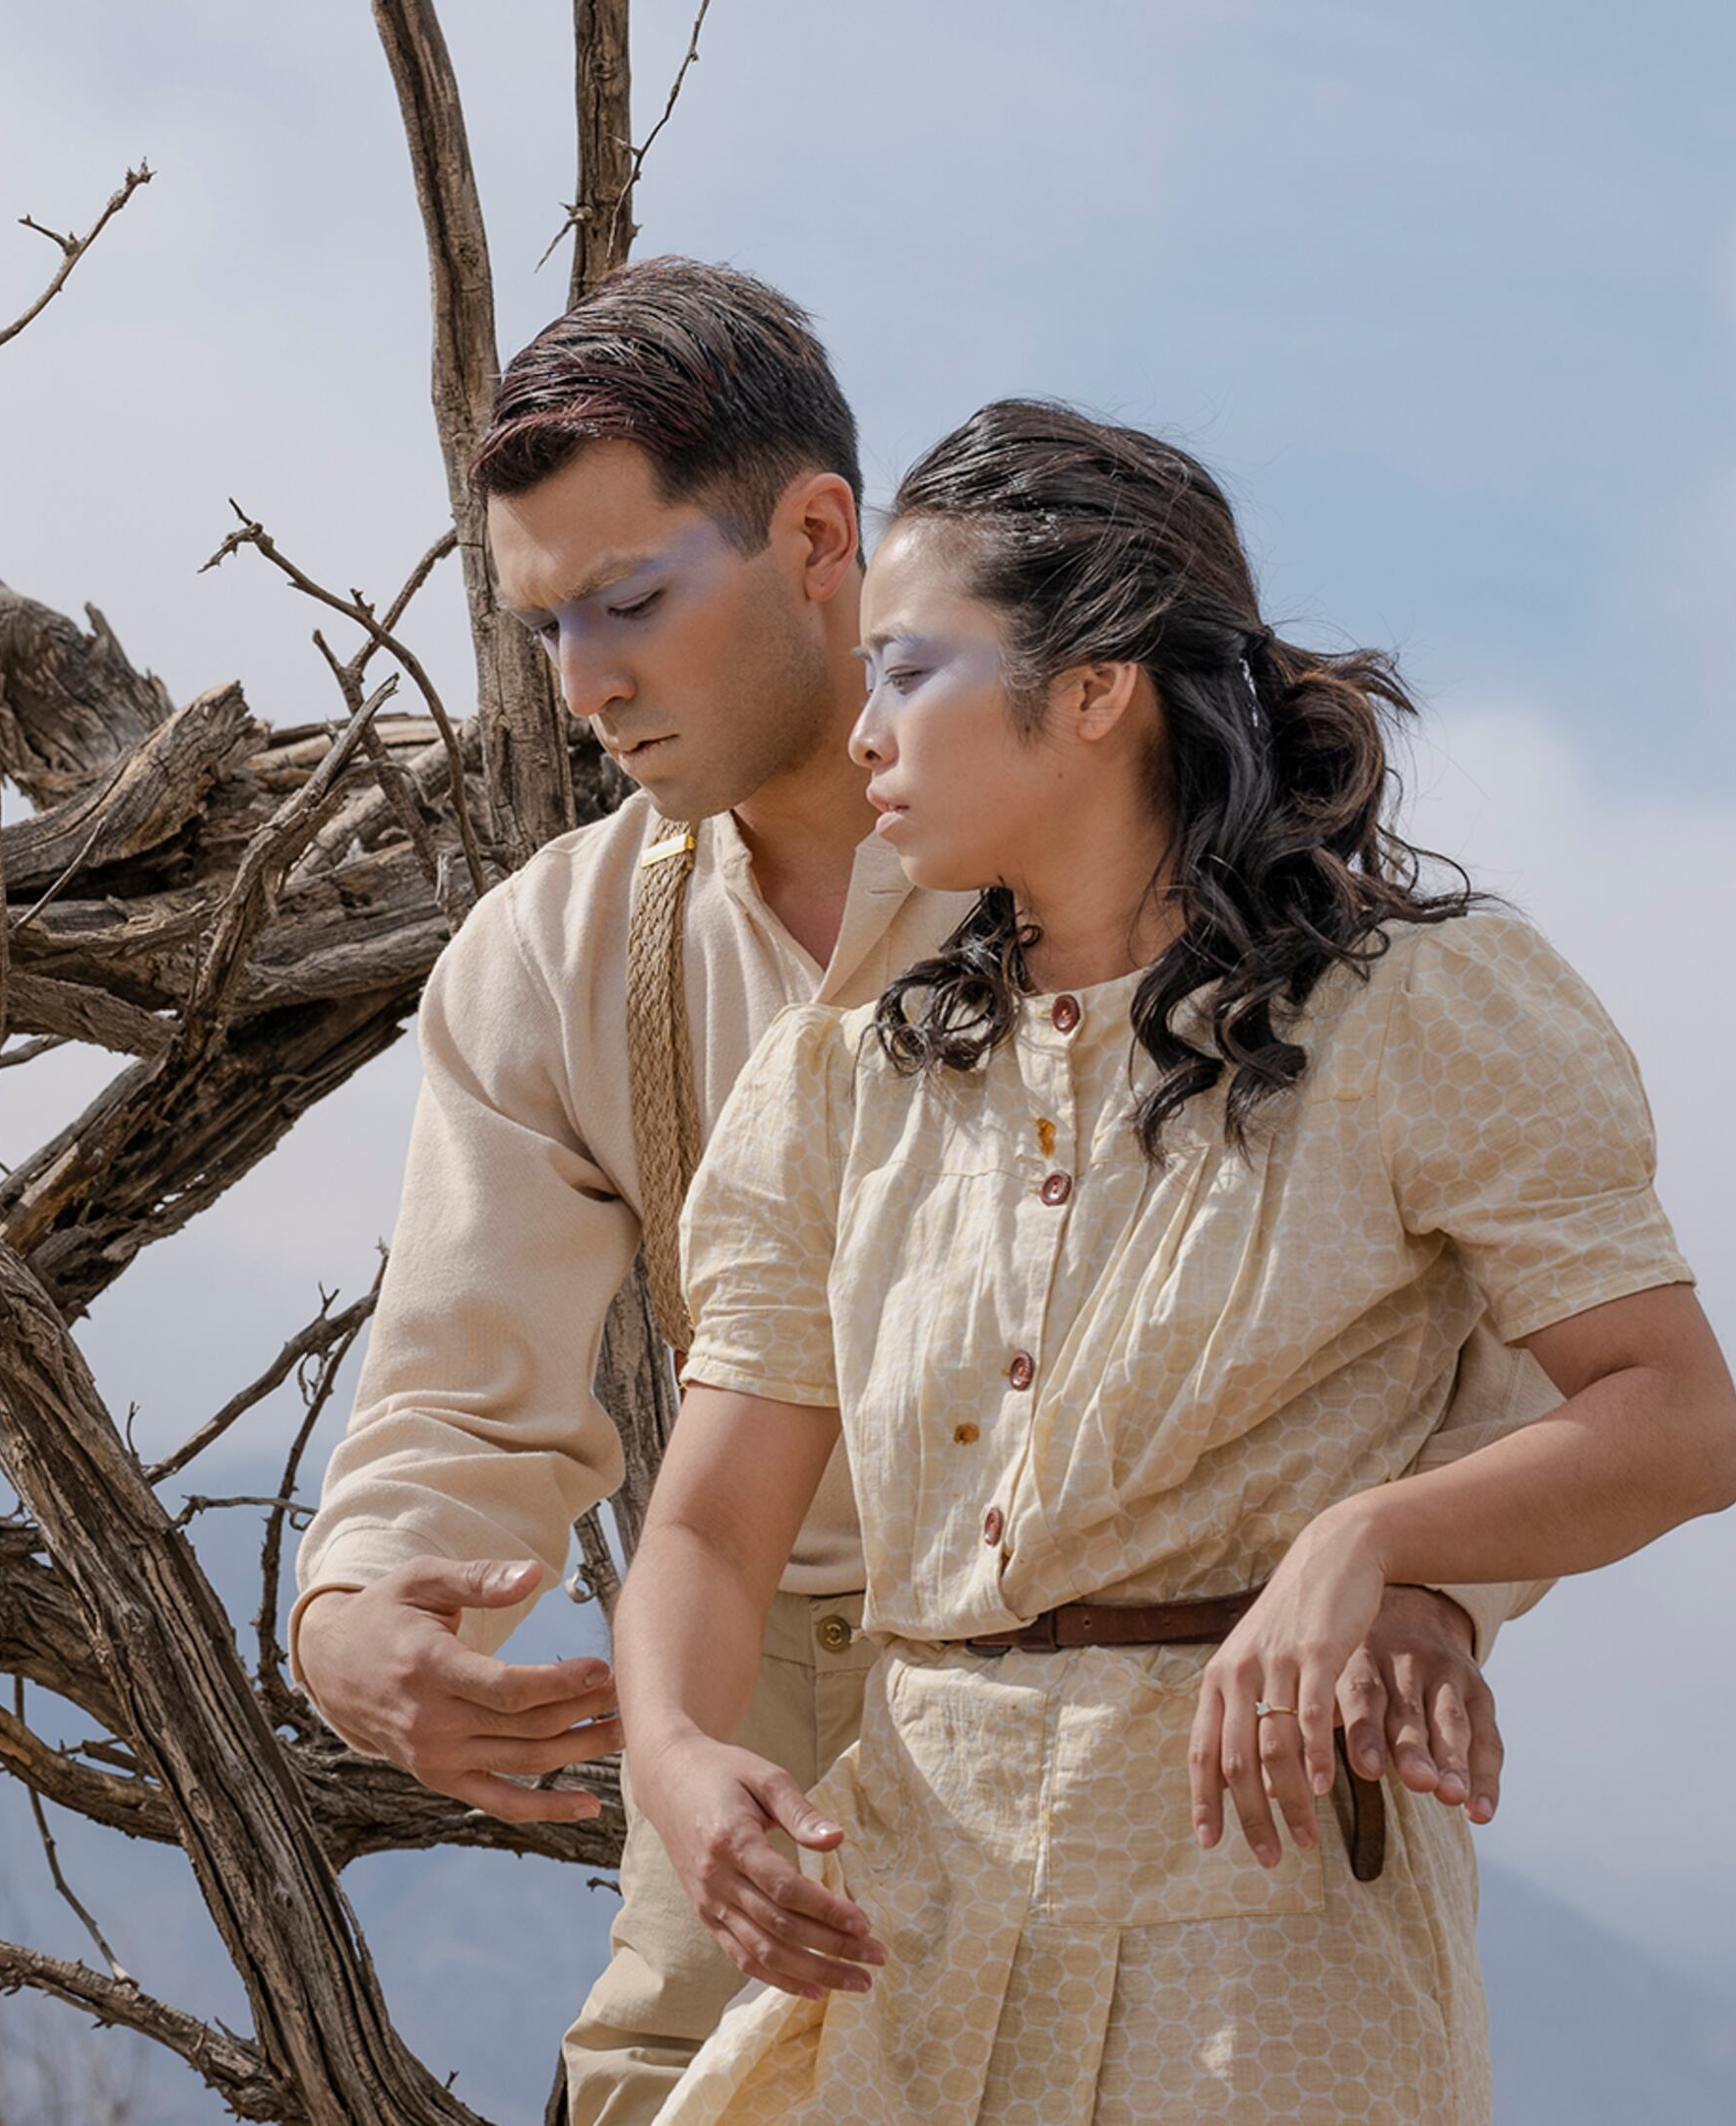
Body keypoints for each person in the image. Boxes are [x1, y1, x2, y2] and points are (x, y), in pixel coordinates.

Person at [289, 262, 1543, 2126]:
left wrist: (1430, 1578)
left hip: (1179, 1739)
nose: (586, 685)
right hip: (753, 1738)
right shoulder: (545, 957)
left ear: (817, 538)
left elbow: (1502, 1296)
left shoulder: (1128, 854)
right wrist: (361, 1624)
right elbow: (459, 1392)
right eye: (545, 624)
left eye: (631, 601)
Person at [617, 400, 1736, 2124]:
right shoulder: (842, 1081)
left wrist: (1372, 1544)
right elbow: (707, 1518)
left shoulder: (1427, 1013)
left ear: (1092, 691)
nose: (864, 730)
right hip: (916, 1924)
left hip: (1270, 1942)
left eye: (914, 671)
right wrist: (684, 1759)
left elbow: (1675, 1420)